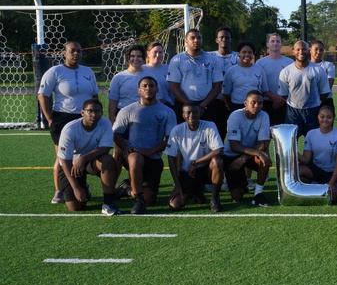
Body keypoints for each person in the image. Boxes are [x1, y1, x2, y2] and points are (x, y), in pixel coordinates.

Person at [39, 40, 100, 204]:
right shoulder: (55, 71)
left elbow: (94, 95)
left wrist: (95, 114)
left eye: (79, 51)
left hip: (85, 119)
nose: (76, 54)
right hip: (63, 118)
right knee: (62, 157)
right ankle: (59, 190)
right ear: (64, 53)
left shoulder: (88, 71)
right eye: (72, 51)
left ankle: (82, 184)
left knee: (83, 155)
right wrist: (50, 118)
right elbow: (42, 95)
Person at [111, 76, 173, 214]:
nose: (148, 88)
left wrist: (151, 151)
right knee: (135, 158)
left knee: (150, 200)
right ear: (138, 90)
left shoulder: (167, 112)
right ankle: (138, 201)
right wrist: (127, 148)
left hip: (154, 158)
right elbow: (116, 134)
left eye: (151, 86)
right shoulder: (127, 110)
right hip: (134, 156)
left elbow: (170, 139)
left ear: (157, 90)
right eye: (144, 86)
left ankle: (127, 188)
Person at [56, 98, 121, 215]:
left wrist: (83, 158)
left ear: (101, 113)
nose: (93, 114)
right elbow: (64, 160)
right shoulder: (70, 129)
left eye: (97, 111)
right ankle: (82, 185)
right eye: (90, 111)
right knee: (75, 206)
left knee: (108, 160)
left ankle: (108, 202)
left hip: (90, 161)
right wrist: (76, 187)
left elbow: (105, 148)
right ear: (82, 113)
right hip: (71, 165)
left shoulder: (105, 123)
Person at [164, 103, 225, 212]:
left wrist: (196, 162)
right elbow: (171, 157)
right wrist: (177, 184)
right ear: (183, 115)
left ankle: (214, 199)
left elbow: (219, 150)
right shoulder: (177, 130)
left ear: (201, 113)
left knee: (217, 161)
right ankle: (197, 191)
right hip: (188, 173)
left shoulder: (209, 126)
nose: (192, 115)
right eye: (188, 112)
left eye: (195, 112)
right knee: (174, 205)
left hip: (206, 170)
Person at [222, 90, 272, 207]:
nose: (256, 106)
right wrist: (257, 152)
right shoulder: (235, 116)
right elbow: (234, 145)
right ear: (245, 103)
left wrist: (245, 157)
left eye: (260, 103)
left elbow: (263, 142)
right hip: (232, 156)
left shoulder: (264, 115)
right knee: (237, 197)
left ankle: (258, 194)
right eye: (253, 102)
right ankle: (241, 184)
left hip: (249, 155)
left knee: (264, 160)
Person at [167, 29, 223, 130]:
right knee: (183, 135)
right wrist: (188, 104)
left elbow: (217, 86)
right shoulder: (177, 60)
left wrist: (203, 105)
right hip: (183, 104)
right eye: (192, 38)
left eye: (199, 38)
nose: (196, 40)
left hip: (206, 106)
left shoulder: (213, 60)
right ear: (186, 42)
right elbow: (173, 86)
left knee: (208, 135)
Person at [279, 40, 332, 136]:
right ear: (293, 51)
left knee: (314, 142)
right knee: (291, 143)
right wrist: (295, 103)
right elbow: (284, 94)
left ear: (308, 51)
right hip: (293, 112)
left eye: (304, 49)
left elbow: (324, 92)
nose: (301, 52)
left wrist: (315, 103)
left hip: (313, 110)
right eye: (298, 49)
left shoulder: (318, 70)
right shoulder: (286, 72)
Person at [298, 104, 337, 203]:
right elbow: (306, 159)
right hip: (316, 169)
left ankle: (329, 187)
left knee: (332, 198)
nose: (325, 119)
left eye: (329, 117)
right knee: (297, 172)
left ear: (333, 118)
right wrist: (291, 150)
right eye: (322, 116)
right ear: (318, 117)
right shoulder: (311, 134)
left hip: (332, 172)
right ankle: (317, 183)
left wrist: (332, 183)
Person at [223, 41, 270, 112]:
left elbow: (264, 91)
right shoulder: (231, 71)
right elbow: (226, 94)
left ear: (253, 54)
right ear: (239, 54)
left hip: (256, 107)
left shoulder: (259, 69)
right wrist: (230, 107)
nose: (247, 54)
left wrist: (255, 101)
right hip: (237, 106)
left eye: (250, 52)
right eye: (244, 52)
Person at [257, 32, 293, 126]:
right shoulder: (260, 63)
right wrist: (273, 97)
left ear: (281, 44)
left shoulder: (290, 62)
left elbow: (292, 84)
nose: (275, 43)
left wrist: (282, 99)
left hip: (285, 103)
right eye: (272, 41)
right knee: (265, 134)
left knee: (282, 134)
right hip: (266, 102)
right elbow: (259, 84)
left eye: (278, 41)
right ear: (267, 44)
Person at [210, 26, 240, 134]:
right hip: (214, 101)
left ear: (231, 39)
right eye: (221, 37)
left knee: (235, 131)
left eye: (227, 37)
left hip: (234, 101)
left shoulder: (238, 57)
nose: (224, 39)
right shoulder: (209, 57)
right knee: (216, 132)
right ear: (216, 40)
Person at [107, 44, 147, 122]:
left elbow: (157, 100)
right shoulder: (118, 77)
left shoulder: (150, 77)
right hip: (123, 117)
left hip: (145, 115)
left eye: (139, 56)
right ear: (127, 58)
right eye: (132, 56)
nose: (135, 59)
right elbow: (113, 102)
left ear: (143, 58)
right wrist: (111, 121)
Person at [143, 41, 172, 109]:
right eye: (155, 52)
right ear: (148, 53)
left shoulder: (169, 69)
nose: (158, 55)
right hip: (148, 106)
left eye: (160, 52)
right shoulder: (142, 69)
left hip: (167, 106)